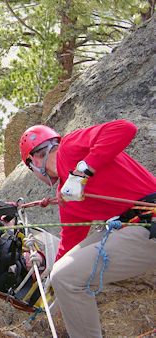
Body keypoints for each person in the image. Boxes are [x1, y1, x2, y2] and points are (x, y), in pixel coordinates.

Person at [19, 119, 156, 338]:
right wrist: (53, 288)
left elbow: (125, 129)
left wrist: (82, 172)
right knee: (61, 275)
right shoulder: (68, 193)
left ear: (34, 161)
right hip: (132, 226)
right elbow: (70, 244)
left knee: (66, 277)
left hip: (148, 222)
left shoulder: (70, 147)